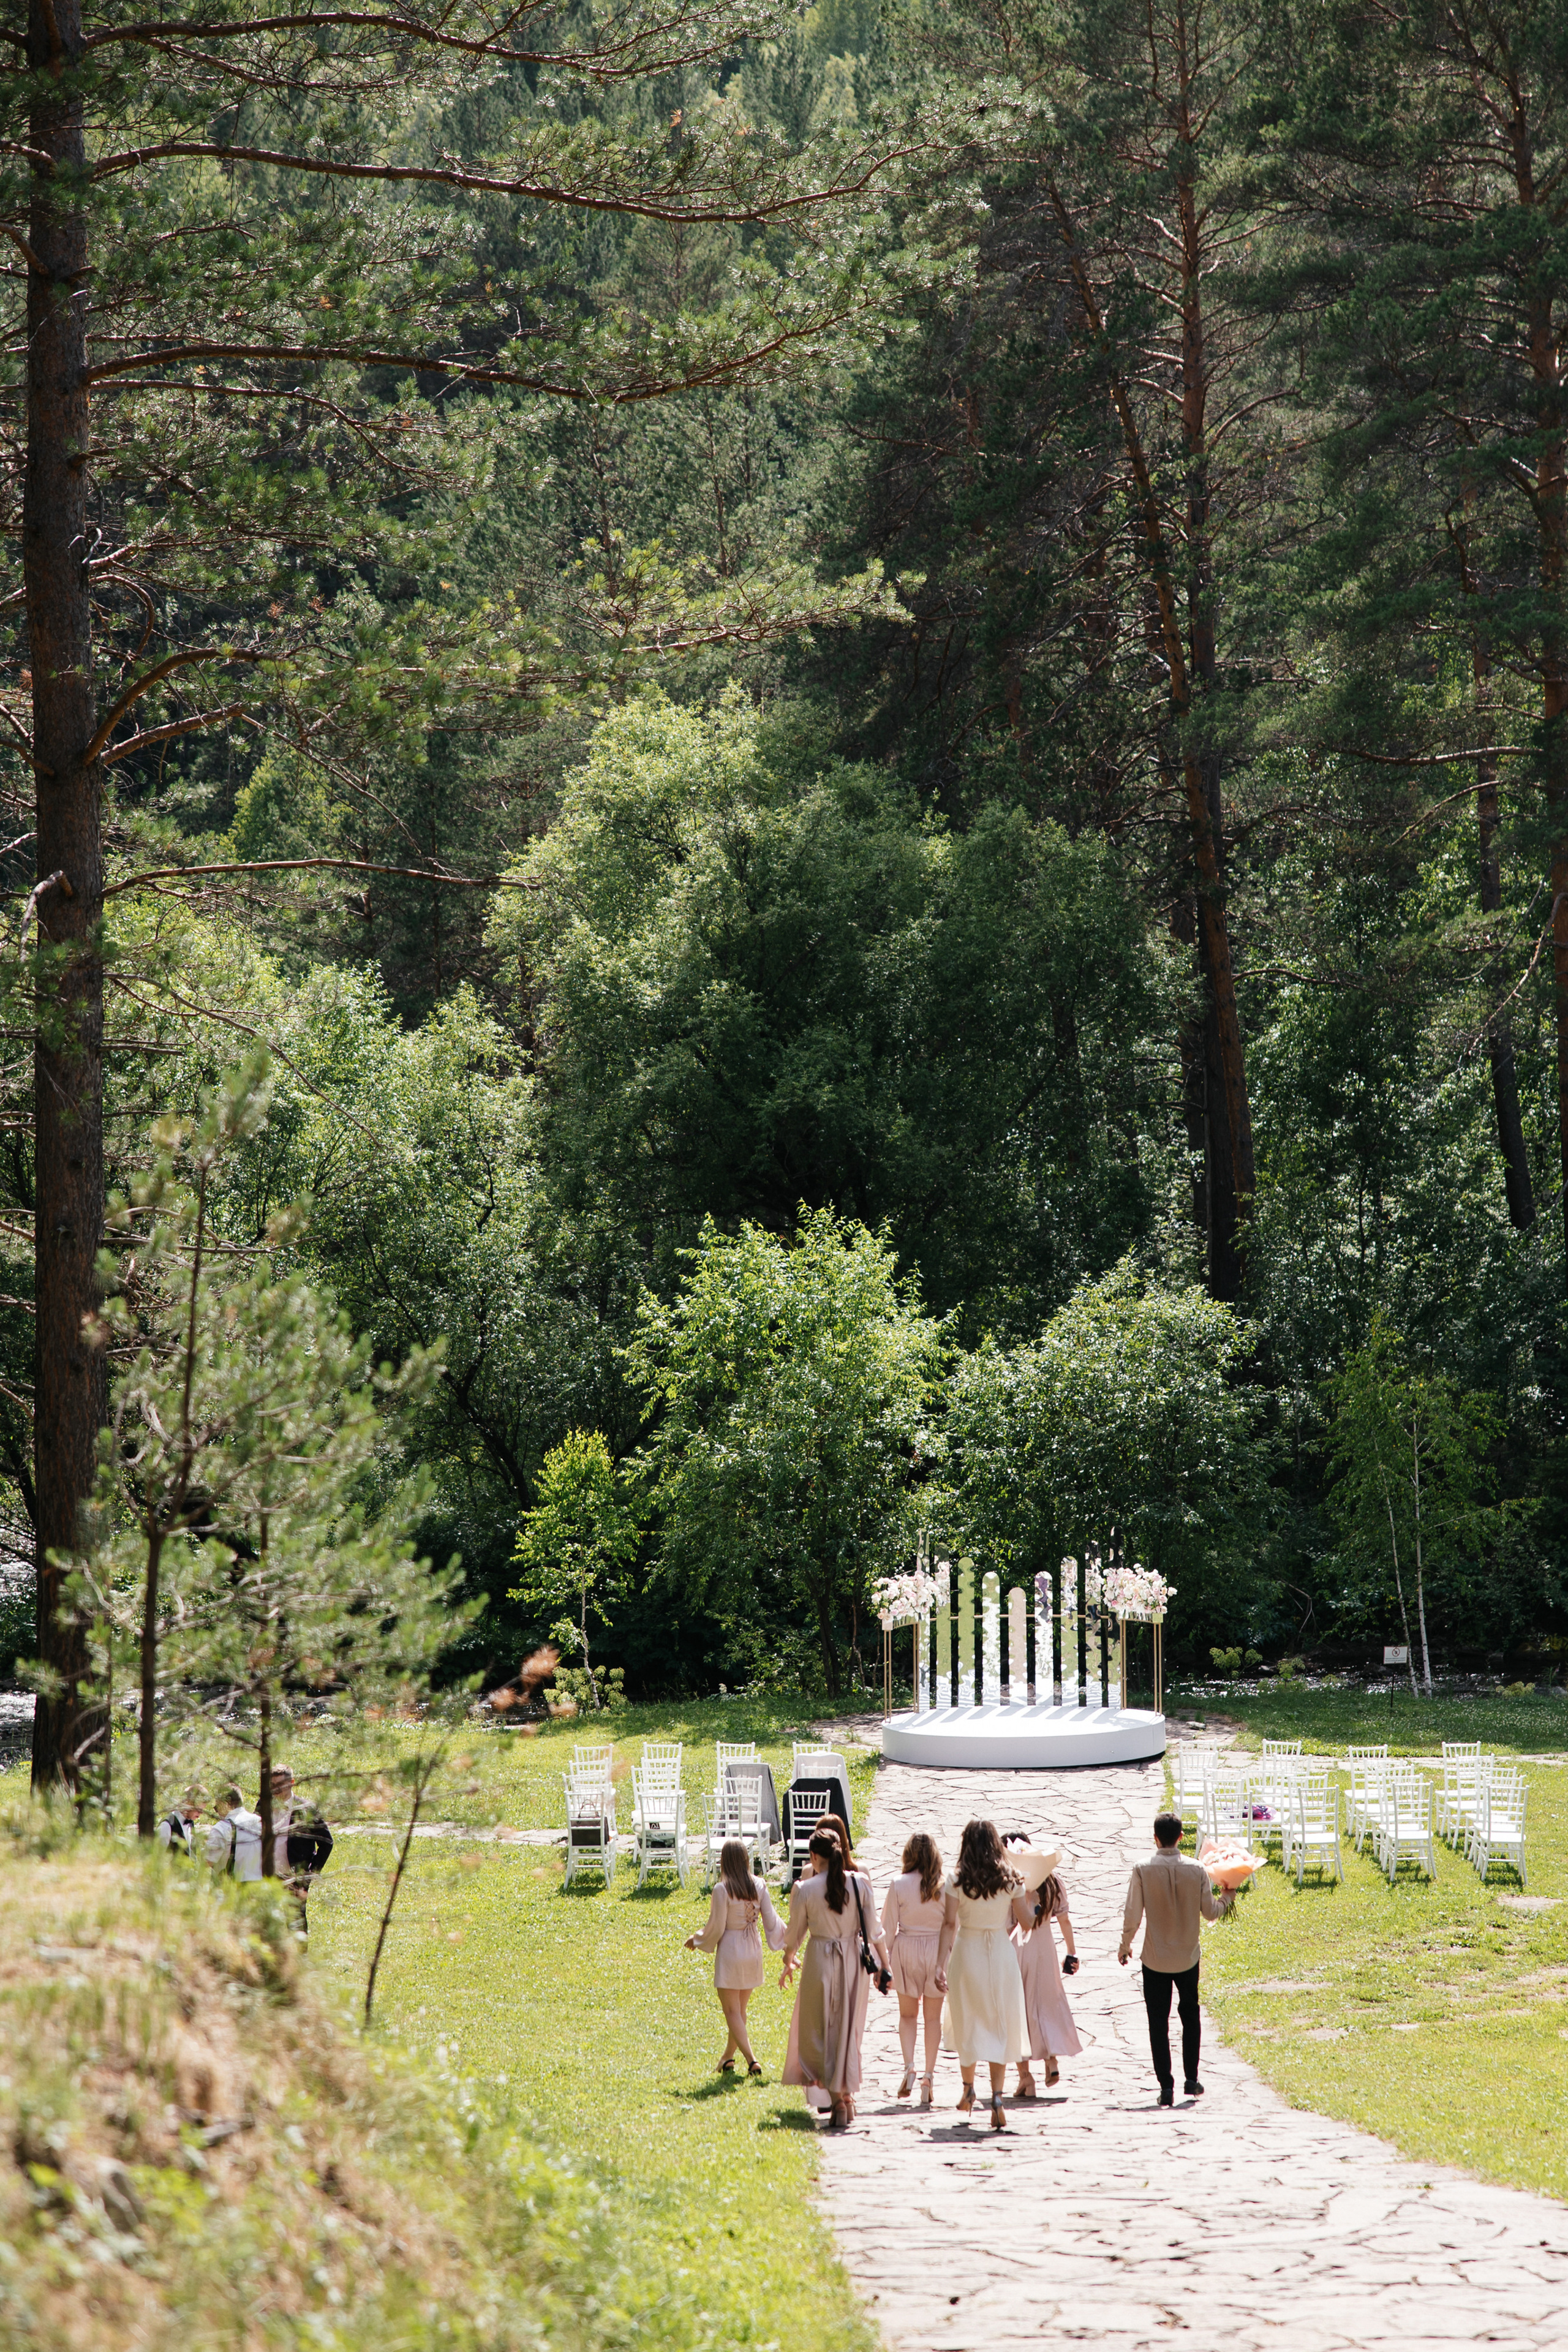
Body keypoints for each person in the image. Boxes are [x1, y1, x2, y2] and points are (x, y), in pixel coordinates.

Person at [1118, 1809, 1231, 2106]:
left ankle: (1165, 2085)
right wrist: (1228, 1897)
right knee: (1190, 2016)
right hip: (1187, 1958)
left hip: (1155, 1958)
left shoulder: (1142, 1869)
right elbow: (1211, 1913)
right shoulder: (1197, 1870)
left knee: (1158, 2022)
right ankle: (1191, 2079)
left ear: (1155, 1838)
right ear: (1181, 1837)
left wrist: (1125, 1944)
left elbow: (1133, 1912)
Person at [780, 1825, 888, 2130]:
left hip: (820, 1959)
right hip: (853, 1960)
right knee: (847, 2030)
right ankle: (847, 2098)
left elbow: (794, 1936)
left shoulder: (806, 1890)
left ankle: (838, 2100)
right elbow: (874, 1929)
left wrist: (788, 1961)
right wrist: (884, 1965)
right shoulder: (860, 1884)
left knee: (819, 2031)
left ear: (814, 1856)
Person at [935, 1819, 1030, 2132]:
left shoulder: (956, 1879)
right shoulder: (1012, 1879)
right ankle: (998, 2096)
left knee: (968, 2019)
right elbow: (1027, 1923)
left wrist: (939, 1963)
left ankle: (968, 2088)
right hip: (1000, 1954)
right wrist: (1034, 1899)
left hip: (968, 1950)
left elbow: (949, 1924)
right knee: (1000, 2022)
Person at [685, 1838, 786, 2076]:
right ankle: (727, 2058)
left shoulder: (722, 1889)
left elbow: (717, 1926)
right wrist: (788, 1939)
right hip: (753, 1949)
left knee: (732, 2012)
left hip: (731, 1949)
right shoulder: (759, 1885)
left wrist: (697, 1939)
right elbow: (771, 1921)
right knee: (740, 2012)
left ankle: (752, 2060)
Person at [1006, 1845, 1081, 2096]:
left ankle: (1025, 2077)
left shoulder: (1015, 1883)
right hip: (1046, 1946)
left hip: (1020, 1946)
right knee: (1048, 2001)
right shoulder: (1053, 1881)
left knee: (1019, 2007)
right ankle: (1051, 2059)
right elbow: (1065, 1919)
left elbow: (1009, 1924)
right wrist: (1071, 1952)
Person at [881, 1830, 946, 2108]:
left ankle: (909, 2065)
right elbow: (952, 1926)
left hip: (906, 1949)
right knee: (933, 2019)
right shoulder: (945, 1885)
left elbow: (886, 1928)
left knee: (907, 2016)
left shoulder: (898, 1884)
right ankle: (929, 2076)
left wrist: (884, 1964)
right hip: (935, 1951)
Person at [205, 1785, 263, 1880]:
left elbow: (208, 1861)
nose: (217, 1812)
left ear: (226, 1804)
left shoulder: (222, 1827)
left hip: (232, 1887)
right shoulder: (260, 1822)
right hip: (259, 1885)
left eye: (217, 1807)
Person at [157, 1789, 203, 1858]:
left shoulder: (190, 1823)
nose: (201, 1813)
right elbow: (157, 1858)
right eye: (199, 1810)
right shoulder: (167, 1826)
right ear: (188, 1804)